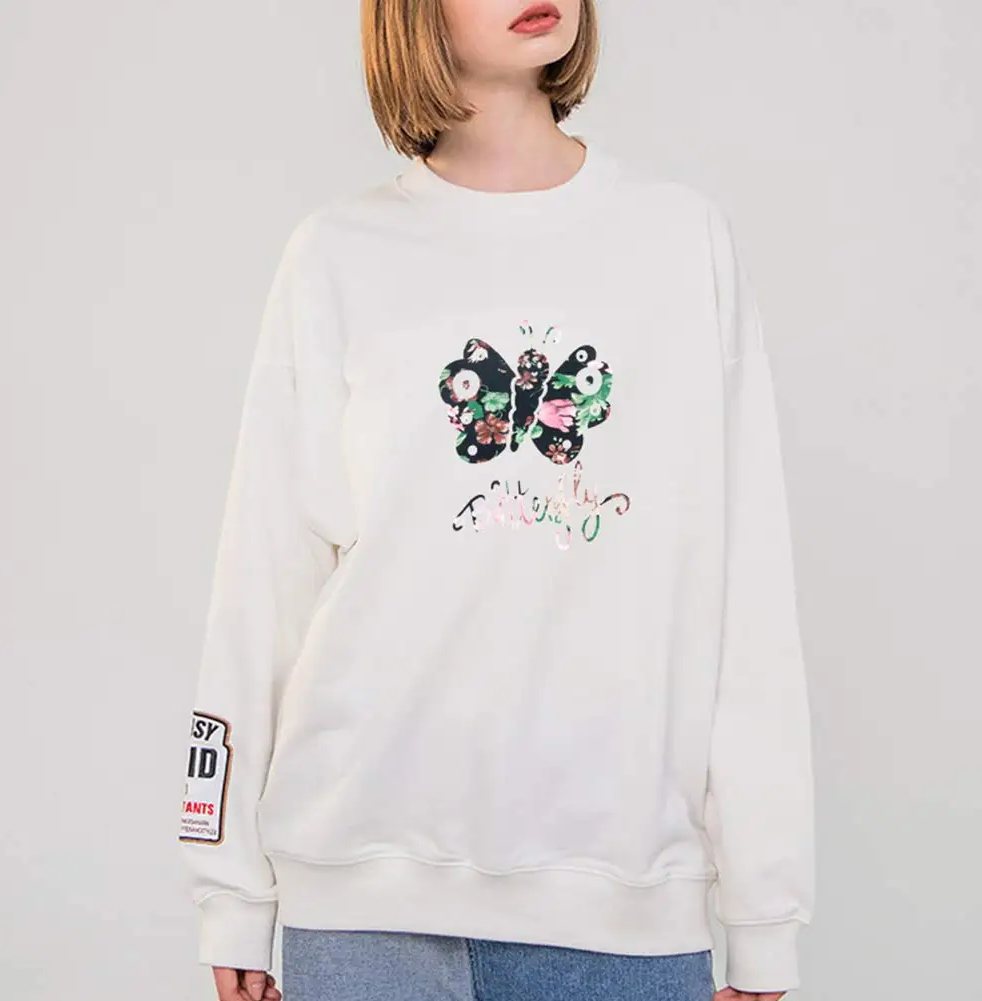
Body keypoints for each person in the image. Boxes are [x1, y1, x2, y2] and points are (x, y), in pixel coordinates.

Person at [177, 1, 817, 999]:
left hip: (619, 909)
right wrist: (228, 889)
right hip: (363, 907)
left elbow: (747, 585)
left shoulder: (678, 241)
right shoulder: (338, 253)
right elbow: (263, 579)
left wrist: (764, 908)